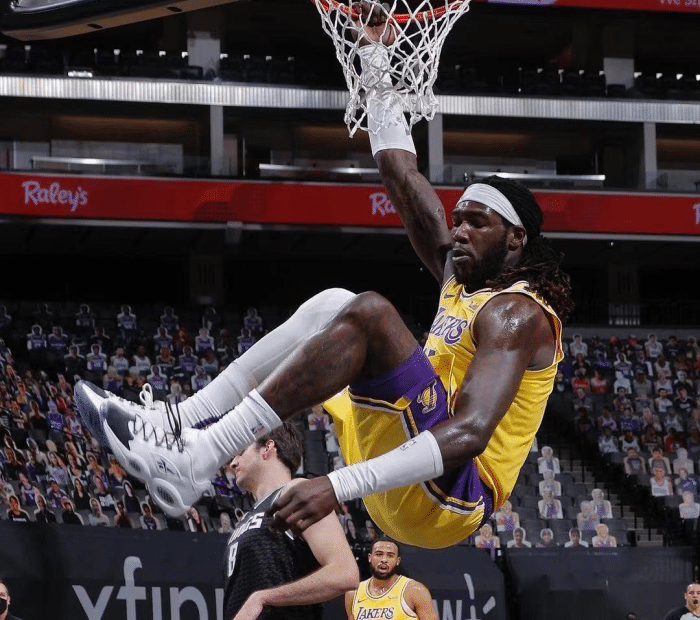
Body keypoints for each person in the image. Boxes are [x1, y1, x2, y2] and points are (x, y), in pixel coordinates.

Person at [80, 30, 573, 547]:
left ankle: (201, 456)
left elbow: (470, 433)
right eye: (459, 220)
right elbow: (401, 174)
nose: (460, 231)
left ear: (516, 238)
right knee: (335, 304)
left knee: (372, 312)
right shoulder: (462, 275)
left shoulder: (517, 314)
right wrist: (375, 56)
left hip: (449, 496)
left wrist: (336, 486)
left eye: (477, 223)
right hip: (400, 465)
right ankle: (181, 422)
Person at [222, 423, 358, 620]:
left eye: (241, 452)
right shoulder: (251, 514)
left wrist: (263, 598)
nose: (233, 463)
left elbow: (345, 573)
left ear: (267, 448)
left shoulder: (297, 492)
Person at [346, 538, 437, 620]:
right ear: (370, 558)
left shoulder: (415, 590)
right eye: (379, 554)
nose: (384, 560)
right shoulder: (353, 593)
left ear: (397, 561)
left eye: (390, 555)